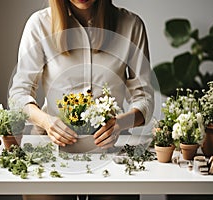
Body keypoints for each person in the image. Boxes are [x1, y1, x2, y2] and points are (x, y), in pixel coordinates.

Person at [9, 0, 154, 199]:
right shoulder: (39, 24)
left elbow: (144, 97)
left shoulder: (131, 25)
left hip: (109, 148)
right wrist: (46, 122)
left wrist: (120, 123)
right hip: (51, 148)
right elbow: (18, 94)